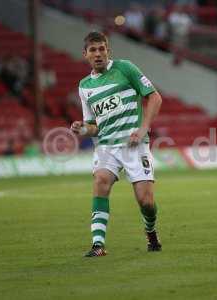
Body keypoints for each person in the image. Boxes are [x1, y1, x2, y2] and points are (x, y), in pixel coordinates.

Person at [70, 31, 163, 257]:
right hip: (106, 147)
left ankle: (150, 231)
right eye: (93, 50)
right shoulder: (84, 87)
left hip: (134, 146)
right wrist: (82, 128)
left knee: (146, 201)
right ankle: (98, 244)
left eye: (102, 49)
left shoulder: (125, 68)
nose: (98, 54)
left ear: (108, 51)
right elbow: (94, 125)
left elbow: (154, 97)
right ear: (85, 55)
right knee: (101, 181)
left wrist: (143, 129)